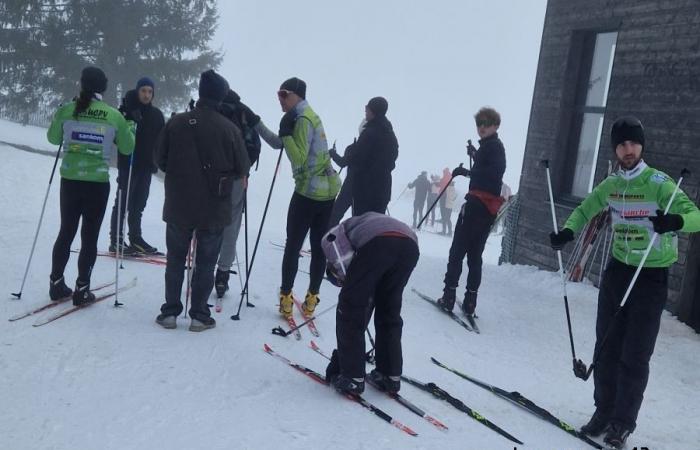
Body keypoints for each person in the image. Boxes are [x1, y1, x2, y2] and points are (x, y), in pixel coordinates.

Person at [549, 116, 700, 449]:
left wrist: (674, 219)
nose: (627, 149)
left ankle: (622, 422)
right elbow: (586, 209)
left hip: (650, 275)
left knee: (635, 353)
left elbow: (696, 217)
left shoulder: (659, 183)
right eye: (621, 144)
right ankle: (603, 412)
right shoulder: (612, 185)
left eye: (633, 143)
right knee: (606, 346)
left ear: (641, 145)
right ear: (615, 149)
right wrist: (568, 232)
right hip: (618, 272)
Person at [155, 70, 250, 332]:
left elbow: (159, 160)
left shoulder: (176, 123)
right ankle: (198, 315)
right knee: (206, 262)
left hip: (178, 203)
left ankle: (170, 313)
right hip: (214, 206)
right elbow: (242, 167)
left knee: (175, 259)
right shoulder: (230, 130)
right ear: (221, 97)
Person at [46, 66, 135, 305]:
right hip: (96, 183)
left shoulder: (68, 109)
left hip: (71, 180)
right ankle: (82, 289)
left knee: (66, 231)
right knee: (89, 235)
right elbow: (127, 148)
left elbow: (53, 138)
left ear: (81, 84)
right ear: (103, 88)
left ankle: (56, 283)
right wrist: (131, 126)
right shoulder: (113, 115)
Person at [322, 212, 419, 395]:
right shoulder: (357, 228)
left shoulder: (331, 240)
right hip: (409, 245)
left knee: (349, 306)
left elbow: (355, 299)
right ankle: (389, 374)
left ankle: (351, 377)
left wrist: (338, 364)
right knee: (388, 307)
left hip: (381, 242)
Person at [437, 107, 506, 318]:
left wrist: (467, 171)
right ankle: (470, 301)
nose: (481, 127)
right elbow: (489, 168)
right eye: (479, 124)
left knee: (458, 251)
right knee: (475, 255)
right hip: (487, 209)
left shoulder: (493, 146)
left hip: (477, 204)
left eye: (486, 123)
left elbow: (492, 174)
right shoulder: (492, 146)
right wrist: (475, 155)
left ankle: (449, 296)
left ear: (495, 125)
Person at [214, 89, 262, 297]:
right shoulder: (244, 113)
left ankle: (201, 269)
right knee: (231, 227)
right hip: (238, 179)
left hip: (211, 178)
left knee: (205, 224)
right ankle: (222, 275)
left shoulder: (212, 110)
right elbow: (275, 141)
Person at [109, 77, 165, 255]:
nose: (147, 95)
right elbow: (116, 137)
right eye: (143, 91)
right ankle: (116, 240)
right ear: (138, 91)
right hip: (129, 164)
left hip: (147, 165)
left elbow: (161, 139)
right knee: (123, 202)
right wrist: (130, 119)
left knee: (139, 204)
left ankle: (136, 238)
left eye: (150, 91)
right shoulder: (126, 110)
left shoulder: (156, 115)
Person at [330, 96, 398, 217]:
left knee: (359, 225)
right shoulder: (390, 135)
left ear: (373, 111)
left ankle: (327, 235)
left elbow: (349, 160)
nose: (365, 111)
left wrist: (333, 154)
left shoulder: (370, 133)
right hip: (382, 191)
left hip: (364, 191)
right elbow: (392, 162)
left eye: (367, 108)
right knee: (374, 227)